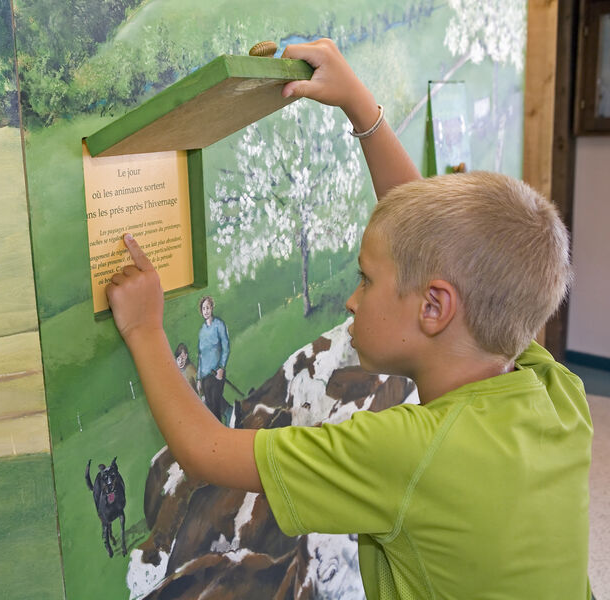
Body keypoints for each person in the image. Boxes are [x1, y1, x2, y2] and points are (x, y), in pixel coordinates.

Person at [104, 39, 592, 599]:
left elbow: (205, 451)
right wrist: (361, 108)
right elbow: (428, 245)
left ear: (433, 309)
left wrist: (144, 328)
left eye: (365, 279)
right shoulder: (555, 389)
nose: (351, 302)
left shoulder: (406, 452)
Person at [196, 296, 230, 423]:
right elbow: (200, 355)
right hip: (205, 376)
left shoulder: (219, 325)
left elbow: (226, 347)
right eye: (203, 308)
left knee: (215, 406)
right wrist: (199, 378)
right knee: (210, 407)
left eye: (208, 308)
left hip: (216, 374)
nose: (206, 311)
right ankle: (229, 413)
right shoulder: (201, 331)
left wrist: (221, 368)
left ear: (212, 308)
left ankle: (222, 434)